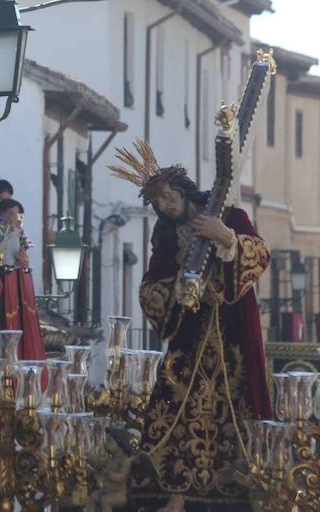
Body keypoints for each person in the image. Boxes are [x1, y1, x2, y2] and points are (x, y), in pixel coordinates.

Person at [109, 140, 271, 512]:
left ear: (181, 189)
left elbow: (261, 254)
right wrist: (176, 287)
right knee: (174, 411)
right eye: (157, 204)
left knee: (241, 407)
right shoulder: (166, 238)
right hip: (190, 339)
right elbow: (150, 288)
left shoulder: (230, 216)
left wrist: (227, 240)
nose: (164, 206)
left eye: (167, 196)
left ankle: (244, 482)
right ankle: (173, 493)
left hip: (234, 332)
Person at [0, 198, 29, 267]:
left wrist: (24, 263)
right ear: (0, 214)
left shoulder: (19, 236)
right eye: (10, 213)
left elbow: (21, 262)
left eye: (17, 215)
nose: (13, 217)